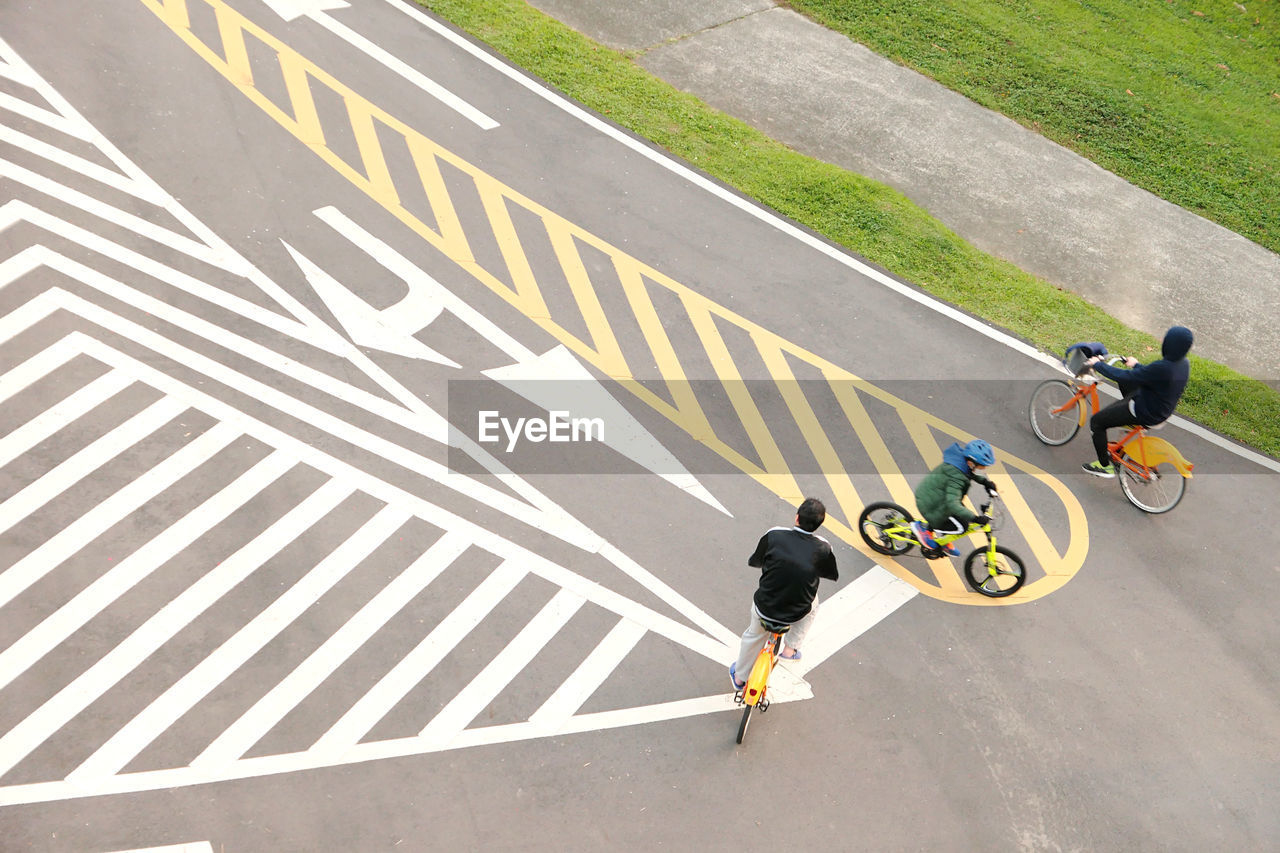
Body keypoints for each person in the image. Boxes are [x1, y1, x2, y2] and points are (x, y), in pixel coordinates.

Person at [730, 497, 838, 690]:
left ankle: (739, 678)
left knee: (753, 636)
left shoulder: (774, 535)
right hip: (797, 611)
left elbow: (756, 560)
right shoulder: (824, 547)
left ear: (797, 518)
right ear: (819, 525)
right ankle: (790, 649)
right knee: (814, 605)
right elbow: (829, 573)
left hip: (765, 606)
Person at [1081, 325, 1193, 478]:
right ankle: (1130, 428)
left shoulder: (1163, 367)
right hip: (1161, 409)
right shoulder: (1183, 364)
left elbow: (1123, 376)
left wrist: (1098, 364)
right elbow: (1149, 375)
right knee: (1127, 385)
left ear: (1169, 345)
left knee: (1097, 422)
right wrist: (1136, 366)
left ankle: (1104, 466)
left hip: (1145, 411)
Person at [912, 440, 998, 557]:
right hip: (931, 503)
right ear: (972, 463)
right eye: (982, 465)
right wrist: (975, 518)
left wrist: (985, 482)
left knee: (960, 516)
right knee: (962, 527)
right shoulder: (957, 478)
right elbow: (953, 504)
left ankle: (943, 538)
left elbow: (968, 474)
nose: (985, 467)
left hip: (935, 495)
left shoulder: (960, 462)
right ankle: (924, 530)